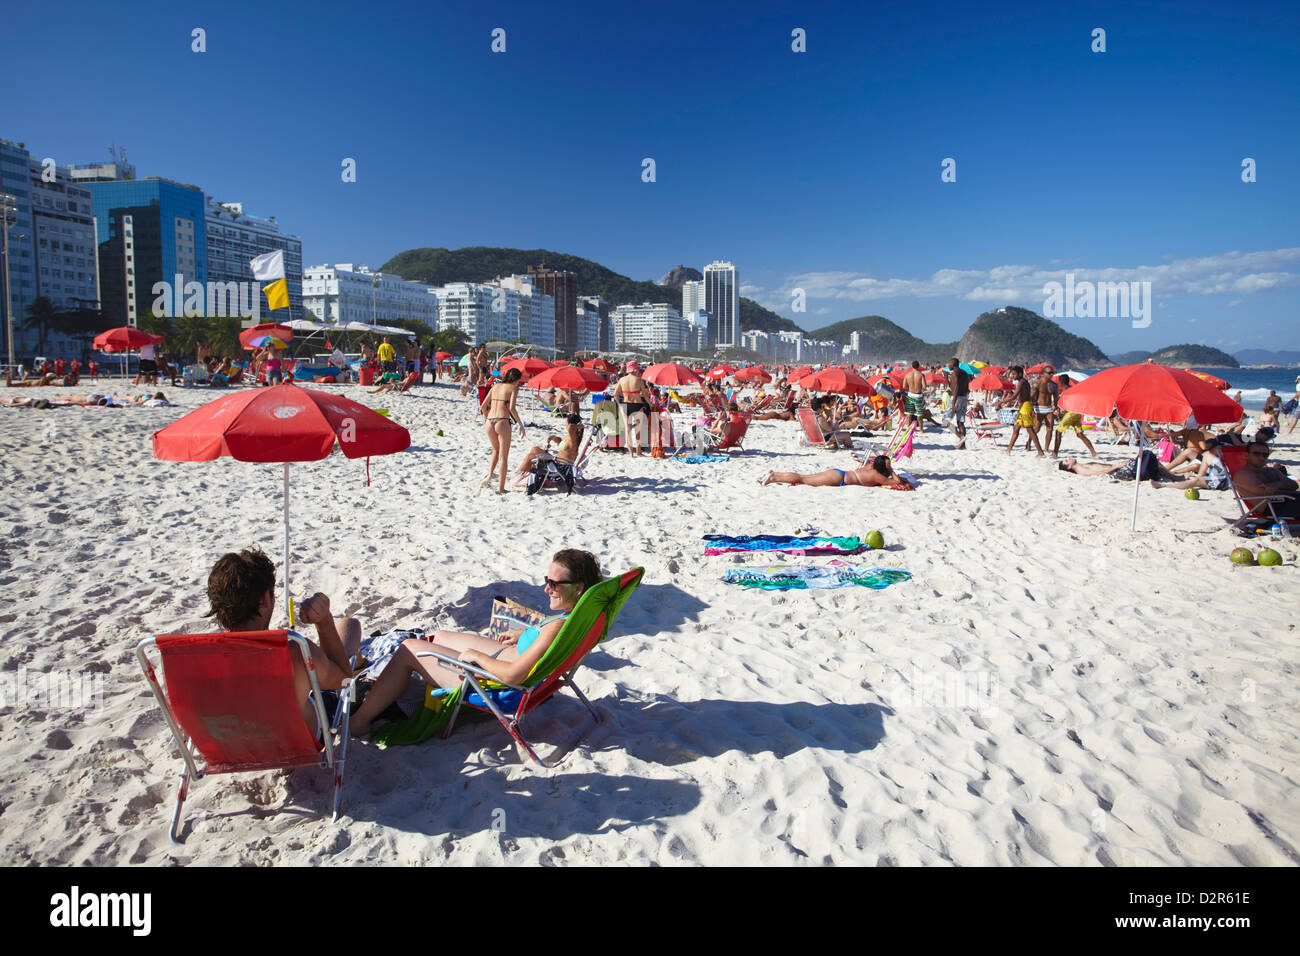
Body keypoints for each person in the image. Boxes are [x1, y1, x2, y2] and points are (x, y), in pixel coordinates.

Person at [350, 550, 603, 737]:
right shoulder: (577, 617)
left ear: (579, 588)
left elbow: (514, 675)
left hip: (494, 680)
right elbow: (545, 640)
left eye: (554, 584)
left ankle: (360, 720)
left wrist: (477, 657)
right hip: (507, 655)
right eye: (546, 580)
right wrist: (527, 635)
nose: (546, 589)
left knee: (408, 650)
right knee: (441, 637)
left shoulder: (558, 627)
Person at [205, 547, 359, 726]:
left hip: (230, 744)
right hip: (296, 741)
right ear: (265, 599)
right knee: (350, 625)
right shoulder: (296, 652)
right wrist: (324, 622)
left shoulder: (199, 657)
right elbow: (344, 681)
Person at [480, 366, 525, 494]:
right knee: (504, 456)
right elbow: (512, 408)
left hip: (490, 422)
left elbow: (483, 406)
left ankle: (489, 476)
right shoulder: (513, 388)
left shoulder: (495, 386)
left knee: (495, 449)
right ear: (516, 379)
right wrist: (520, 424)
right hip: (502, 421)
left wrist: (487, 418)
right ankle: (501, 488)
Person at [761, 454, 914, 489]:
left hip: (838, 473)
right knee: (802, 479)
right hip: (838, 479)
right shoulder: (878, 476)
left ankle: (774, 474)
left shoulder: (870, 466)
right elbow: (898, 482)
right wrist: (891, 470)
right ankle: (773, 476)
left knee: (804, 478)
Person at [1233, 441, 1300, 519]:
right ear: (1247, 455)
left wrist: (1277, 485)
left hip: (1290, 501)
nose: (1261, 457)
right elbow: (1265, 492)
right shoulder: (1243, 474)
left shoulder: (1271, 470)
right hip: (1273, 508)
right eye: (1256, 453)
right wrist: (1284, 486)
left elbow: (1294, 485)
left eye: (1265, 455)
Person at [515, 413, 584, 478]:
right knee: (535, 449)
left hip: (561, 466)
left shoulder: (574, 438)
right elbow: (561, 440)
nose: (565, 424)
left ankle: (519, 476)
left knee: (530, 456)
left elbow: (570, 427)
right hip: (557, 462)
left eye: (566, 422)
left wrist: (579, 425)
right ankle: (525, 472)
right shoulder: (570, 436)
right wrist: (553, 437)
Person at [613, 361, 655, 459]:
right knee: (638, 430)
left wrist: (619, 405)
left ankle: (631, 453)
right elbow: (644, 395)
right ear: (635, 369)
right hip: (637, 404)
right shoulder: (639, 380)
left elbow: (615, 394)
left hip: (625, 405)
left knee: (627, 431)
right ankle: (639, 452)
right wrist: (650, 404)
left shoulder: (622, 380)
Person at [1002, 366, 1045, 456]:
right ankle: (1008, 449)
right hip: (1023, 407)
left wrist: (1001, 402)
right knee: (1016, 428)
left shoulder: (1022, 382)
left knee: (1030, 429)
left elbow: (1014, 396)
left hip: (1026, 407)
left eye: (1014, 374)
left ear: (1020, 374)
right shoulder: (1022, 382)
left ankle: (1040, 452)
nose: (1012, 375)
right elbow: (1016, 395)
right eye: (1011, 374)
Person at [946, 358, 970, 449]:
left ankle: (961, 437)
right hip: (963, 398)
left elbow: (956, 388)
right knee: (960, 422)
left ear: (954, 364)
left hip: (956, 398)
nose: (948, 365)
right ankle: (962, 445)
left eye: (949, 364)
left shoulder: (954, 374)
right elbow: (967, 388)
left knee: (945, 420)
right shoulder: (965, 373)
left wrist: (953, 403)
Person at [901, 360, 926, 428]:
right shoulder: (921, 375)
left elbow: (904, 386)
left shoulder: (907, 375)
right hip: (918, 396)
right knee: (919, 414)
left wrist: (910, 387)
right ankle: (921, 430)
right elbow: (924, 386)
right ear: (918, 366)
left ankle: (908, 428)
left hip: (910, 395)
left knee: (909, 413)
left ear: (911, 366)